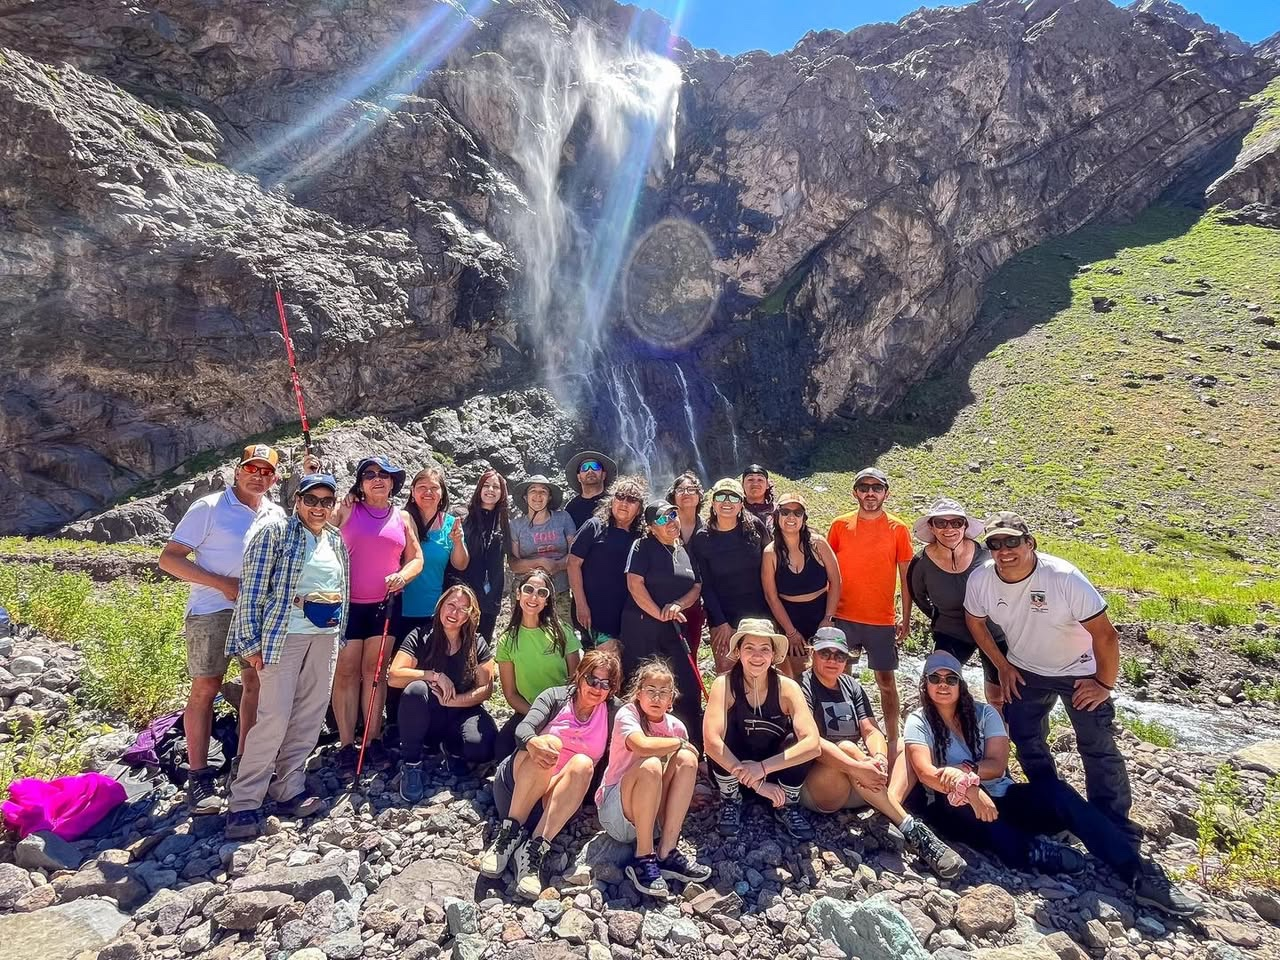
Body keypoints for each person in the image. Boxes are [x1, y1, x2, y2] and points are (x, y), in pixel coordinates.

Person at [903, 651, 1201, 917]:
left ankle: (1135, 872)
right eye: (935, 678)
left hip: (1000, 793)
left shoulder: (984, 714)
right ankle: (1031, 851)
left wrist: (966, 774)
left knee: (1058, 793)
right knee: (966, 811)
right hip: (951, 804)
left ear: (961, 684)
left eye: (950, 678)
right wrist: (968, 789)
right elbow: (927, 772)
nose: (943, 684)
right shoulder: (919, 720)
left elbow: (996, 764)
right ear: (925, 684)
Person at [963, 512, 1138, 843]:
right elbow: (975, 622)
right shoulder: (981, 579)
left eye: (1012, 542)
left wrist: (1103, 683)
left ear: (1030, 543)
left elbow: (1107, 635)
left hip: (1080, 670)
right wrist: (1001, 665)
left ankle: (1113, 824)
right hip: (1025, 668)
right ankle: (1052, 807)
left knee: (1096, 745)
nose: (1004, 551)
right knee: (1027, 739)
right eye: (995, 544)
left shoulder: (1063, 577)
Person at [159, 443, 286, 814]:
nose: (258, 476)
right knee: (206, 686)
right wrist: (222, 584)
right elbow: (170, 560)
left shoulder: (275, 513)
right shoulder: (209, 508)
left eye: (266, 471)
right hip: (212, 610)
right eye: (252, 469)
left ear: (274, 478)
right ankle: (199, 775)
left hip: (258, 613)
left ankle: (243, 764)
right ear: (237, 471)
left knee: (255, 684)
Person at [224, 474, 348, 839]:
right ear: (298, 500)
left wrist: (340, 634)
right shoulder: (276, 534)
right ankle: (244, 800)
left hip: (324, 636)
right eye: (313, 499)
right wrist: (250, 644)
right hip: (284, 635)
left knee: (310, 713)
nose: (319, 507)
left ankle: (288, 786)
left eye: (327, 501)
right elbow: (252, 592)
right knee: (274, 716)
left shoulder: (336, 540)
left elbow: (344, 586)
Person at [798, 628, 965, 879]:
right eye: (825, 653)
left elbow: (870, 729)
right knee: (847, 748)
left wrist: (877, 757)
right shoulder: (802, 685)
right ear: (813, 654)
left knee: (899, 747)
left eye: (839, 655)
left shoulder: (850, 685)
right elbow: (811, 743)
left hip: (859, 780)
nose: (833, 660)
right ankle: (911, 829)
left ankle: (884, 814)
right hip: (820, 786)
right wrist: (857, 766)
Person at [481, 651, 624, 899]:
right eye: (592, 680)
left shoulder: (613, 712)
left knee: (583, 763)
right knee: (549, 745)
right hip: (518, 788)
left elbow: (639, 731)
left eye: (605, 684)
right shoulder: (555, 697)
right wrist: (533, 742)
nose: (597, 689)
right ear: (579, 676)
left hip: (557, 801)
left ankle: (533, 851)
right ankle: (508, 836)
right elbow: (524, 728)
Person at [332, 456, 423, 774]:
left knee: (375, 671)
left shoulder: (403, 517)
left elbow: (416, 559)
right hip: (346, 604)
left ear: (393, 483)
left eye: (385, 475)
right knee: (345, 671)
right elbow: (313, 526)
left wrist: (403, 576)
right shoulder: (346, 509)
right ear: (360, 483)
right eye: (369, 475)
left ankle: (371, 740)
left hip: (385, 605)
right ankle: (346, 744)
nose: (378, 479)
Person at [596, 658, 710, 898]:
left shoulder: (676, 727)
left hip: (654, 813)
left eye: (663, 692)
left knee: (687, 759)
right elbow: (641, 745)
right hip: (619, 812)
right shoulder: (628, 714)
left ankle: (666, 852)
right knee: (650, 765)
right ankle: (643, 856)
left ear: (671, 700)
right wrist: (681, 744)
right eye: (650, 691)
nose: (656, 698)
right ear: (638, 693)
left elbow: (687, 764)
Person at [703, 618, 820, 840]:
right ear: (738, 652)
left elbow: (813, 744)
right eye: (749, 648)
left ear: (774, 655)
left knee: (798, 739)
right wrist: (756, 782)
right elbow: (710, 742)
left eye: (764, 649)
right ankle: (730, 799)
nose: (757, 656)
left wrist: (763, 769)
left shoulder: (787, 687)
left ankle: (787, 802)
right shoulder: (724, 684)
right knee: (721, 732)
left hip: (773, 773)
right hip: (734, 770)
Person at [826, 467, 913, 741]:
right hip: (844, 616)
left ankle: (893, 737)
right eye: (864, 487)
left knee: (886, 682)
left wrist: (906, 616)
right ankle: (843, 734)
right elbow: (829, 572)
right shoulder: (840, 525)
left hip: (881, 619)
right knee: (840, 676)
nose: (870, 493)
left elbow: (906, 576)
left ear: (886, 493)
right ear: (855, 492)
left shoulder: (898, 528)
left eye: (876, 487)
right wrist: (827, 615)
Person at [388, 584, 497, 802]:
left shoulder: (477, 642)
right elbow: (394, 676)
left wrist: (457, 701)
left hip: (462, 711)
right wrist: (433, 676)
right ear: (440, 606)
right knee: (415, 690)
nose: (454, 613)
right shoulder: (420, 635)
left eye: (463, 609)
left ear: (469, 615)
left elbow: (487, 688)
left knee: (483, 749)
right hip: (429, 714)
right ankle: (411, 764)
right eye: (451, 605)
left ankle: (452, 750)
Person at [908, 498, 1007, 708]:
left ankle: (1000, 738)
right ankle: (941, 735)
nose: (949, 528)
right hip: (952, 632)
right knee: (934, 685)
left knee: (999, 694)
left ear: (965, 525)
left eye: (956, 522)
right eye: (941, 523)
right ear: (932, 527)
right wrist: (939, 616)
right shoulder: (922, 563)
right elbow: (918, 596)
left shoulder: (987, 556)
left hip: (994, 632)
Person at [621, 500, 704, 747]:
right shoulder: (642, 546)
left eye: (673, 515)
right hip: (643, 627)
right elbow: (635, 584)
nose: (671, 521)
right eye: (662, 519)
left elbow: (697, 586)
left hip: (676, 627)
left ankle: (692, 747)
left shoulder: (684, 549)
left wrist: (678, 604)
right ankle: (639, 743)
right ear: (650, 527)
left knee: (686, 685)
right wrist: (658, 613)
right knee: (642, 684)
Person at [494, 571, 583, 758]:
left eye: (542, 593)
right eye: (528, 590)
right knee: (501, 750)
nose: (534, 597)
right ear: (518, 594)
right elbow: (510, 694)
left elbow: (576, 681)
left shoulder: (563, 632)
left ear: (547, 601)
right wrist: (537, 715)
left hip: (563, 712)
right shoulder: (507, 641)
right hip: (529, 711)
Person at [689, 478, 769, 675]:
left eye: (733, 497)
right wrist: (721, 622)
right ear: (713, 503)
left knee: (759, 671)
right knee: (726, 672)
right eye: (721, 496)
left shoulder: (755, 527)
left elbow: (772, 564)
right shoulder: (702, 538)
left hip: (760, 615)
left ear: (741, 503)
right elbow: (705, 584)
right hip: (723, 617)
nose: (727, 502)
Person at [762, 493, 842, 678]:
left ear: (804, 519)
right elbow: (771, 596)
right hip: (790, 617)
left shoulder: (818, 544)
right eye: (785, 512)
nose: (791, 517)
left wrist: (828, 619)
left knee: (828, 671)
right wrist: (790, 632)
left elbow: (836, 581)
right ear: (777, 516)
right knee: (799, 674)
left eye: (797, 513)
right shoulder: (771, 553)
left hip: (821, 612)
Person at [567, 476, 646, 651]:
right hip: (594, 613)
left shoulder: (641, 537)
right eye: (620, 496)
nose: (624, 503)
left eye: (632, 499)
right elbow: (573, 564)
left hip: (627, 615)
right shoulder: (594, 526)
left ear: (639, 509)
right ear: (611, 500)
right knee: (600, 666)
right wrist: (581, 604)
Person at [398, 467, 468, 638]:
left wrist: (458, 541)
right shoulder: (399, 520)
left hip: (432, 609)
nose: (428, 492)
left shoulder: (451, 524)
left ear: (442, 494)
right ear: (412, 492)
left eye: (434, 488)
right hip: (395, 607)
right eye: (422, 487)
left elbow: (460, 564)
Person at [447, 470, 511, 642]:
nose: (491, 490)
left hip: (490, 599)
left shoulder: (504, 522)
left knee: (481, 647)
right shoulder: (462, 516)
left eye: (496, 487)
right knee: (455, 642)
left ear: (502, 493)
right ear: (479, 489)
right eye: (486, 485)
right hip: (462, 594)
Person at [509, 474, 577, 626]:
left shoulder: (563, 518)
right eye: (533, 490)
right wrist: (540, 562)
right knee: (526, 636)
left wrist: (557, 566)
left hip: (559, 590)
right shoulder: (515, 525)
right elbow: (514, 564)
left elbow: (575, 554)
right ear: (525, 497)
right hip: (527, 593)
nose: (538, 495)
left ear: (549, 497)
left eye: (543, 491)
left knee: (564, 637)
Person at [665, 472, 707, 658]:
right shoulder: (663, 527)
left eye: (691, 489)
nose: (686, 493)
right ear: (673, 496)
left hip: (696, 603)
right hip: (665, 602)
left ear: (699, 496)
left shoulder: (708, 529)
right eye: (680, 489)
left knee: (691, 653)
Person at [564, 451, 618, 531]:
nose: (590, 471)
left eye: (595, 467)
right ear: (578, 477)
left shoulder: (615, 503)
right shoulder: (571, 507)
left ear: (603, 475)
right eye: (584, 468)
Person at [740, 464, 777, 531]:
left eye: (760, 480)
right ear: (742, 485)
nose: (755, 484)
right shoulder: (736, 511)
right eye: (750, 479)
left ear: (767, 485)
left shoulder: (778, 511)